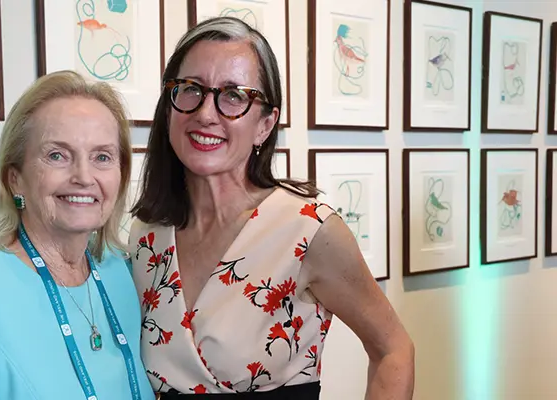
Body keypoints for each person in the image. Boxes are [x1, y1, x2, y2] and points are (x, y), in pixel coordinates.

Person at [127, 17, 415, 399]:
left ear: (265, 124)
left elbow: (394, 349)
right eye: (191, 89)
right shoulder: (146, 234)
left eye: (234, 95)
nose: (206, 113)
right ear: (169, 108)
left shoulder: (307, 230)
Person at [0, 70, 155, 400]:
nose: (83, 176)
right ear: (15, 179)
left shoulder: (119, 271)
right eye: (57, 155)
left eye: (102, 157)